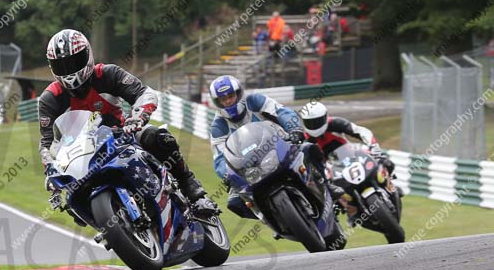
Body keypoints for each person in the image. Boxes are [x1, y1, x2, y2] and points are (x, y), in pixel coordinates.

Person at [39, 29, 217, 217]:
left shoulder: (108, 73)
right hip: (82, 158)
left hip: (123, 136)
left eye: (74, 62)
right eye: (62, 66)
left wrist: (137, 117)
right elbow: (48, 143)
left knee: (157, 137)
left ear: (87, 55)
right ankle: (109, 225)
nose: (69, 71)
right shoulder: (50, 99)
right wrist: (51, 169)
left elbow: (144, 93)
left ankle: (192, 190)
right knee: (72, 199)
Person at [208, 75, 336, 220]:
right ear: (217, 103)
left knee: (310, 149)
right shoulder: (218, 126)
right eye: (223, 99)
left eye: (230, 96)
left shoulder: (255, 101)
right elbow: (219, 158)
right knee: (235, 203)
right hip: (250, 167)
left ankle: (328, 187)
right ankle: (274, 220)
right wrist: (227, 174)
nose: (228, 101)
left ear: (239, 93)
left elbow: (281, 111)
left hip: (280, 145)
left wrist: (294, 130)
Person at [299, 101, 395, 175]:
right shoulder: (305, 140)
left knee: (386, 163)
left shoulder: (335, 123)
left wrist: (374, 146)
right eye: (310, 123)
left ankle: (389, 187)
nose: (314, 126)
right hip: (331, 172)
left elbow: (361, 131)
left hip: (352, 157)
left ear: (325, 117)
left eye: (317, 121)